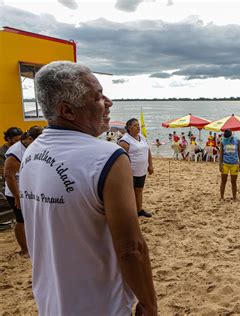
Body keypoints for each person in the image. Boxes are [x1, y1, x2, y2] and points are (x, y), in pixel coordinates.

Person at [20, 61, 157, 315]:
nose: (108, 102)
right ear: (68, 111)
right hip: (101, 304)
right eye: (97, 97)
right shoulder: (107, 157)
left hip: (51, 300)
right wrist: (149, 304)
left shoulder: (32, 152)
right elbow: (131, 248)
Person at [4, 126, 43, 257]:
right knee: (21, 220)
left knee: (34, 219)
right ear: (29, 138)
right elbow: (9, 176)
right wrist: (17, 197)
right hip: (16, 191)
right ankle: (24, 249)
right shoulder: (15, 152)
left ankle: (35, 246)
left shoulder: (35, 146)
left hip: (31, 189)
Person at [119, 118, 154, 218]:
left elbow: (148, 150)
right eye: (135, 125)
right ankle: (130, 212)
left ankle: (139, 210)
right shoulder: (124, 141)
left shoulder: (141, 137)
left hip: (141, 170)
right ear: (129, 128)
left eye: (138, 125)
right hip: (130, 172)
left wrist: (150, 165)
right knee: (129, 193)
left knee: (139, 191)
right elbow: (121, 158)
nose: (138, 127)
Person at [219, 129, 240, 200]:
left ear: (231, 136)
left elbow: (239, 153)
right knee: (223, 181)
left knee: (233, 182)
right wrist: (220, 164)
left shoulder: (237, 141)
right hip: (225, 164)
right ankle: (222, 197)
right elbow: (221, 154)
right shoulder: (222, 141)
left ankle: (234, 197)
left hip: (234, 164)